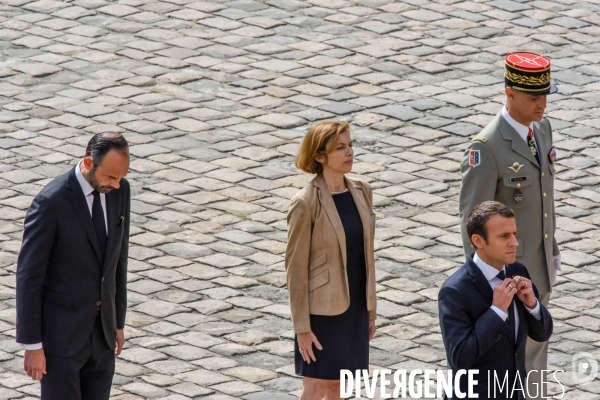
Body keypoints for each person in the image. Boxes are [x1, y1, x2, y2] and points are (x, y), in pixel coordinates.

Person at [458, 52, 559, 397]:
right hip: (507, 278)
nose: (542, 104)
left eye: (545, 95)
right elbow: (473, 222)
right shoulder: (486, 149)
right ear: (510, 92)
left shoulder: (541, 129)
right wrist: (485, 281)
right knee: (509, 366)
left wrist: (552, 253)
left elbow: (543, 203)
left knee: (537, 357)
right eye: (533, 97)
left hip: (536, 270)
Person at [16, 132, 131, 400]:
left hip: (102, 336)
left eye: (121, 178)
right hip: (61, 339)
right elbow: (29, 277)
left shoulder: (120, 190)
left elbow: (119, 258)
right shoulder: (51, 202)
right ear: (89, 163)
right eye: (110, 177)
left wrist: (118, 322)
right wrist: (32, 345)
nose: (115, 185)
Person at [285, 121, 377, 399]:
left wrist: (370, 311)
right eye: (340, 148)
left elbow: (366, 258)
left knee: (342, 386)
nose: (349, 152)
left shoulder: (362, 190)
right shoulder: (305, 203)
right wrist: (302, 328)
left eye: (350, 145)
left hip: (355, 308)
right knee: (316, 386)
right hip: (322, 313)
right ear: (319, 157)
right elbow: (295, 269)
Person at [439, 201, 553, 400]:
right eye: (504, 236)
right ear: (478, 240)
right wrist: (497, 311)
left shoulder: (518, 271)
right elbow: (460, 357)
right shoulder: (455, 290)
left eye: (514, 234)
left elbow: (543, 333)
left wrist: (532, 305)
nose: (515, 243)